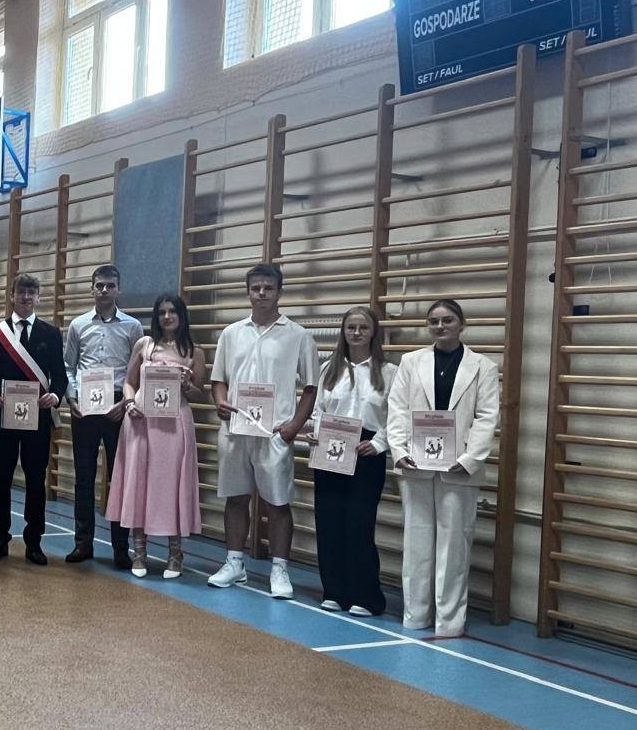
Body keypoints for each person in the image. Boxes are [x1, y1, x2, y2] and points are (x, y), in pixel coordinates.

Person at [386, 299, 500, 637]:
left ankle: (449, 621)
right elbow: (397, 409)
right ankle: (416, 614)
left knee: (454, 546)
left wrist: (469, 459)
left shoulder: (483, 367)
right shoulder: (411, 362)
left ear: (462, 324)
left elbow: (487, 417)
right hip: (416, 463)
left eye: (447, 320)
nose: (440, 326)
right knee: (417, 542)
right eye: (434, 321)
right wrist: (399, 451)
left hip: (458, 467)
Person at [206, 263, 319, 598]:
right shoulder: (231, 333)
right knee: (235, 498)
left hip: (274, 434)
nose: (262, 293)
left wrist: (292, 428)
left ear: (280, 292)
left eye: (268, 288)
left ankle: (280, 569)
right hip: (235, 430)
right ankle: (234, 563)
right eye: (256, 288)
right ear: (248, 292)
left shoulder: (298, 335)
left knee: (278, 504)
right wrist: (221, 402)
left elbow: (310, 387)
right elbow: (218, 380)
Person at [106, 296, 205, 579]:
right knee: (140, 482)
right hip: (141, 421)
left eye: (172, 311)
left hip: (175, 424)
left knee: (172, 485)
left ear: (182, 315)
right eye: (161, 312)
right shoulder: (144, 345)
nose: (167, 316)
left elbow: (200, 393)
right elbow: (129, 382)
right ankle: (139, 552)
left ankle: (175, 553)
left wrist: (187, 385)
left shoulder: (195, 351)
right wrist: (129, 403)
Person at [306, 306, 396, 616]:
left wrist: (379, 443)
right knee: (329, 522)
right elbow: (318, 410)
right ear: (343, 332)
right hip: (331, 447)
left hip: (366, 451)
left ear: (373, 332)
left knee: (359, 525)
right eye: (351, 328)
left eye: (363, 327)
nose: (356, 333)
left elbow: (396, 415)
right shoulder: (328, 368)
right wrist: (316, 433)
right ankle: (334, 591)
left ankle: (366, 597)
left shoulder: (389, 372)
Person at [0, 273, 67, 566]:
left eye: (32, 292)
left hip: (37, 420)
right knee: (0, 479)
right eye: (21, 292)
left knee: (35, 481)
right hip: (3, 418)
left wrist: (55, 396)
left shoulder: (51, 333)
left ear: (38, 298)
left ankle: (34, 541)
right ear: (12, 295)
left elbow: (61, 377)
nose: (26, 297)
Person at [63, 264, 143, 568]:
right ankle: (82, 543)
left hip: (117, 407)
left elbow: (138, 371)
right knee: (83, 477)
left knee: (119, 478)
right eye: (100, 285)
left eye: (110, 285)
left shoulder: (133, 327)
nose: (105, 290)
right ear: (92, 288)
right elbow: (69, 366)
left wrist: (126, 402)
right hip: (84, 407)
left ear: (119, 289)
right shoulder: (78, 325)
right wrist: (72, 398)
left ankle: (120, 548)